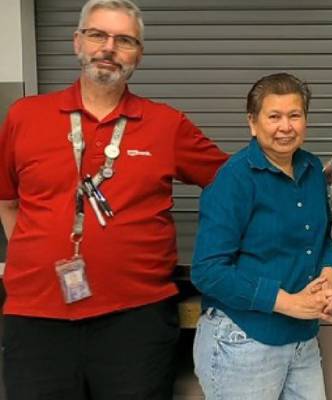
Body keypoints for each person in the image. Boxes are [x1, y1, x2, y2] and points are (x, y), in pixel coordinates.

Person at [0, 0, 228, 398]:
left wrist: (305, 174)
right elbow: (6, 201)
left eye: (124, 40)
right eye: (97, 35)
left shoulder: (166, 124)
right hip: (37, 319)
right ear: (77, 42)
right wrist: (41, 252)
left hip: (135, 321)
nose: (109, 47)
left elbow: (233, 184)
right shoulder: (25, 115)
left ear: (138, 54)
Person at [191, 72, 332, 400]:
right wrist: (289, 302)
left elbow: (324, 238)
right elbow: (208, 271)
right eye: (274, 116)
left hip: (302, 338)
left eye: (294, 115)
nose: (285, 127)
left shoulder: (312, 169)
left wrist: (329, 278)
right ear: (252, 122)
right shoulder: (234, 179)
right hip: (244, 341)